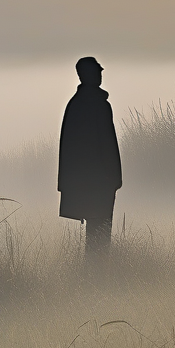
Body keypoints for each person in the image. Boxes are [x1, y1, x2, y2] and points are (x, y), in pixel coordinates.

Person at [58, 56, 122, 255]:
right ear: (88, 75)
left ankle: (93, 277)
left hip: (88, 182)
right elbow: (106, 144)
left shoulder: (75, 104)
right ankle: (97, 278)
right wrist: (114, 178)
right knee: (100, 235)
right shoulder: (97, 104)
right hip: (100, 182)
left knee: (95, 235)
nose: (101, 75)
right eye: (98, 71)